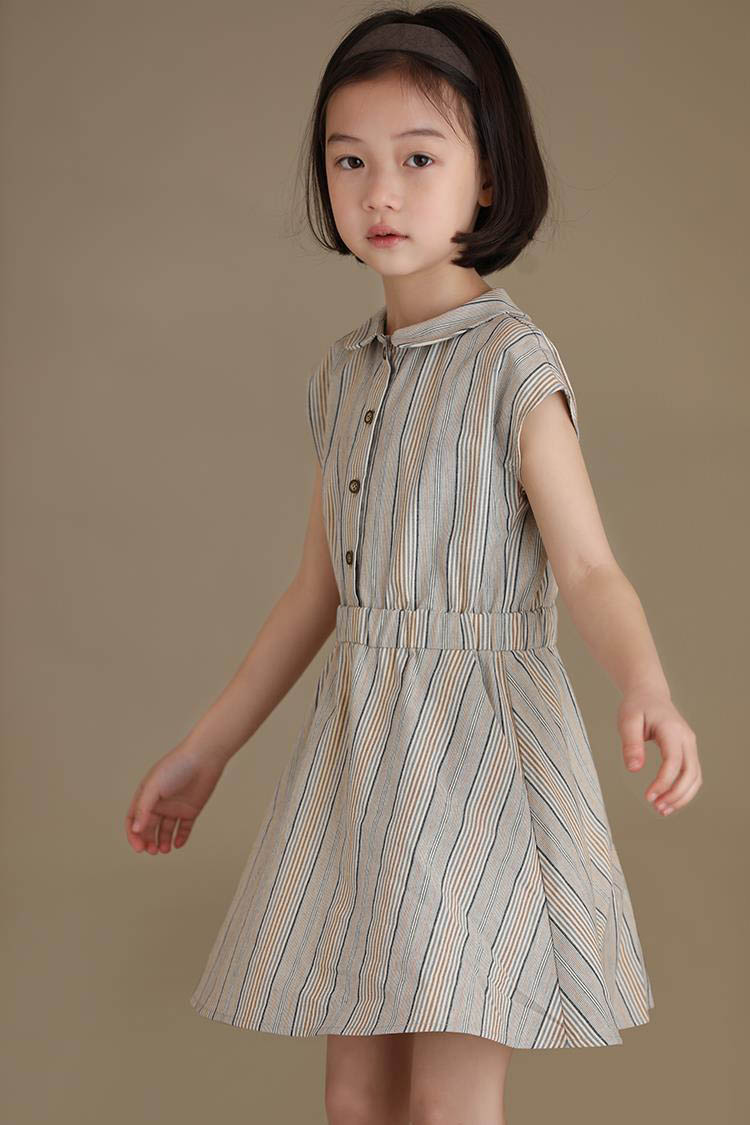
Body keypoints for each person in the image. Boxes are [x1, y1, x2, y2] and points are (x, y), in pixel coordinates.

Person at [125, 7, 702, 1123]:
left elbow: (588, 567)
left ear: (488, 180)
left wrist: (647, 685)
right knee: (355, 1098)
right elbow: (318, 594)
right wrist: (207, 750)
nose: (379, 192)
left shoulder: (513, 362)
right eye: (350, 161)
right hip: (362, 756)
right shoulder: (343, 373)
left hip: (480, 756)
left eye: (419, 159)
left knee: (445, 1103)